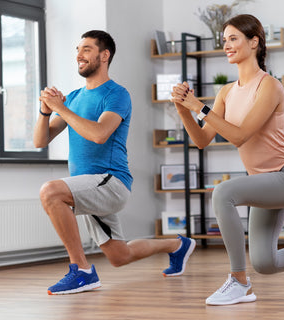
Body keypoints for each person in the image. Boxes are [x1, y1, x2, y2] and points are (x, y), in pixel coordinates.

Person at [171, 14, 284, 306]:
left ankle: (239, 281)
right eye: (224, 40)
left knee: (223, 192)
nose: (226, 45)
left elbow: (240, 136)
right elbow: (202, 140)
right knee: (266, 262)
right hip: (263, 181)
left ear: (254, 42)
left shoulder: (270, 86)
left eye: (233, 38)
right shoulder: (226, 91)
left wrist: (198, 107)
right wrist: (183, 110)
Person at [33, 30, 195, 295]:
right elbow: (41, 140)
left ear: (104, 55)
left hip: (111, 183)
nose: (79, 55)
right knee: (120, 256)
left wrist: (60, 108)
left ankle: (82, 271)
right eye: (78, 49)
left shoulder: (116, 94)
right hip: (86, 188)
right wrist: (45, 110)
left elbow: (99, 134)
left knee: (51, 191)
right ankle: (177, 245)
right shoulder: (74, 97)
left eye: (86, 49)